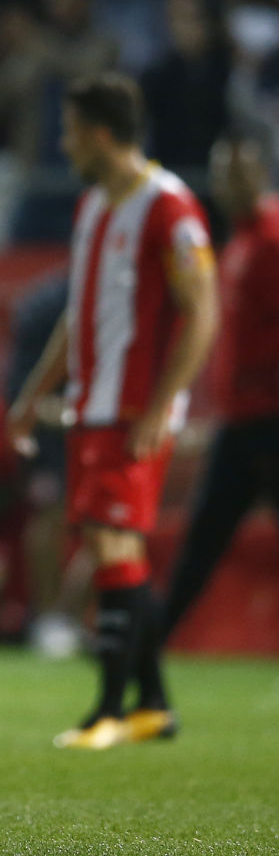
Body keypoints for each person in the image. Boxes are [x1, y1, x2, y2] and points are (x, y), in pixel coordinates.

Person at [6, 73, 218, 750]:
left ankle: (108, 712)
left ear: (99, 133)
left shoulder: (169, 206)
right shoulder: (94, 206)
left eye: (69, 131)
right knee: (111, 552)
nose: (63, 144)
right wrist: (34, 391)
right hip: (92, 408)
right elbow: (78, 313)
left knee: (109, 545)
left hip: (133, 410)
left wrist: (161, 407)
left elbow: (201, 312)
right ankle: (151, 704)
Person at [160, 136, 279, 637]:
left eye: (239, 173)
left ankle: (151, 646)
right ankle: (151, 646)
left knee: (205, 536)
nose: (230, 185)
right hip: (244, 416)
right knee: (204, 537)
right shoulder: (239, 241)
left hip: (266, 419)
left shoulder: (270, 241)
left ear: (261, 172)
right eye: (222, 174)